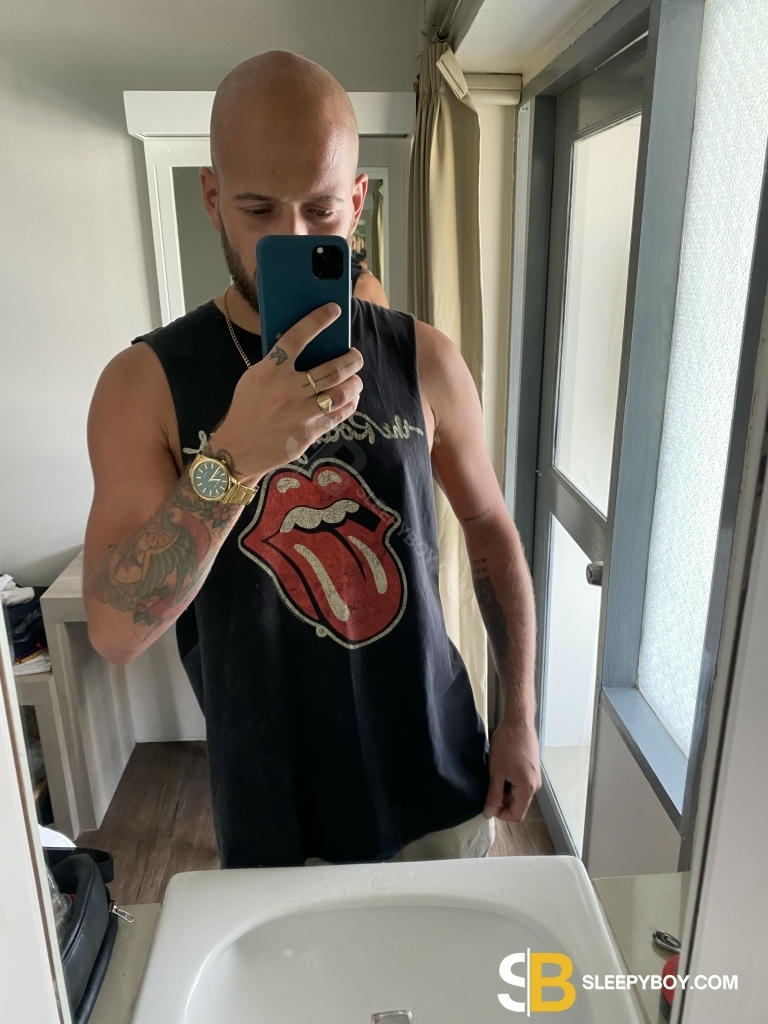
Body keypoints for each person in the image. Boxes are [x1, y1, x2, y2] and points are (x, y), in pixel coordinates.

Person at [83, 51, 540, 868]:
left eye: (321, 210)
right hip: (275, 809)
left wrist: (521, 718)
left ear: (357, 202)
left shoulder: (425, 358)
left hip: (440, 775)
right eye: (258, 208)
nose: (291, 237)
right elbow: (116, 630)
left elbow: (489, 526)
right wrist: (234, 458)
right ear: (213, 199)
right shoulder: (144, 383)